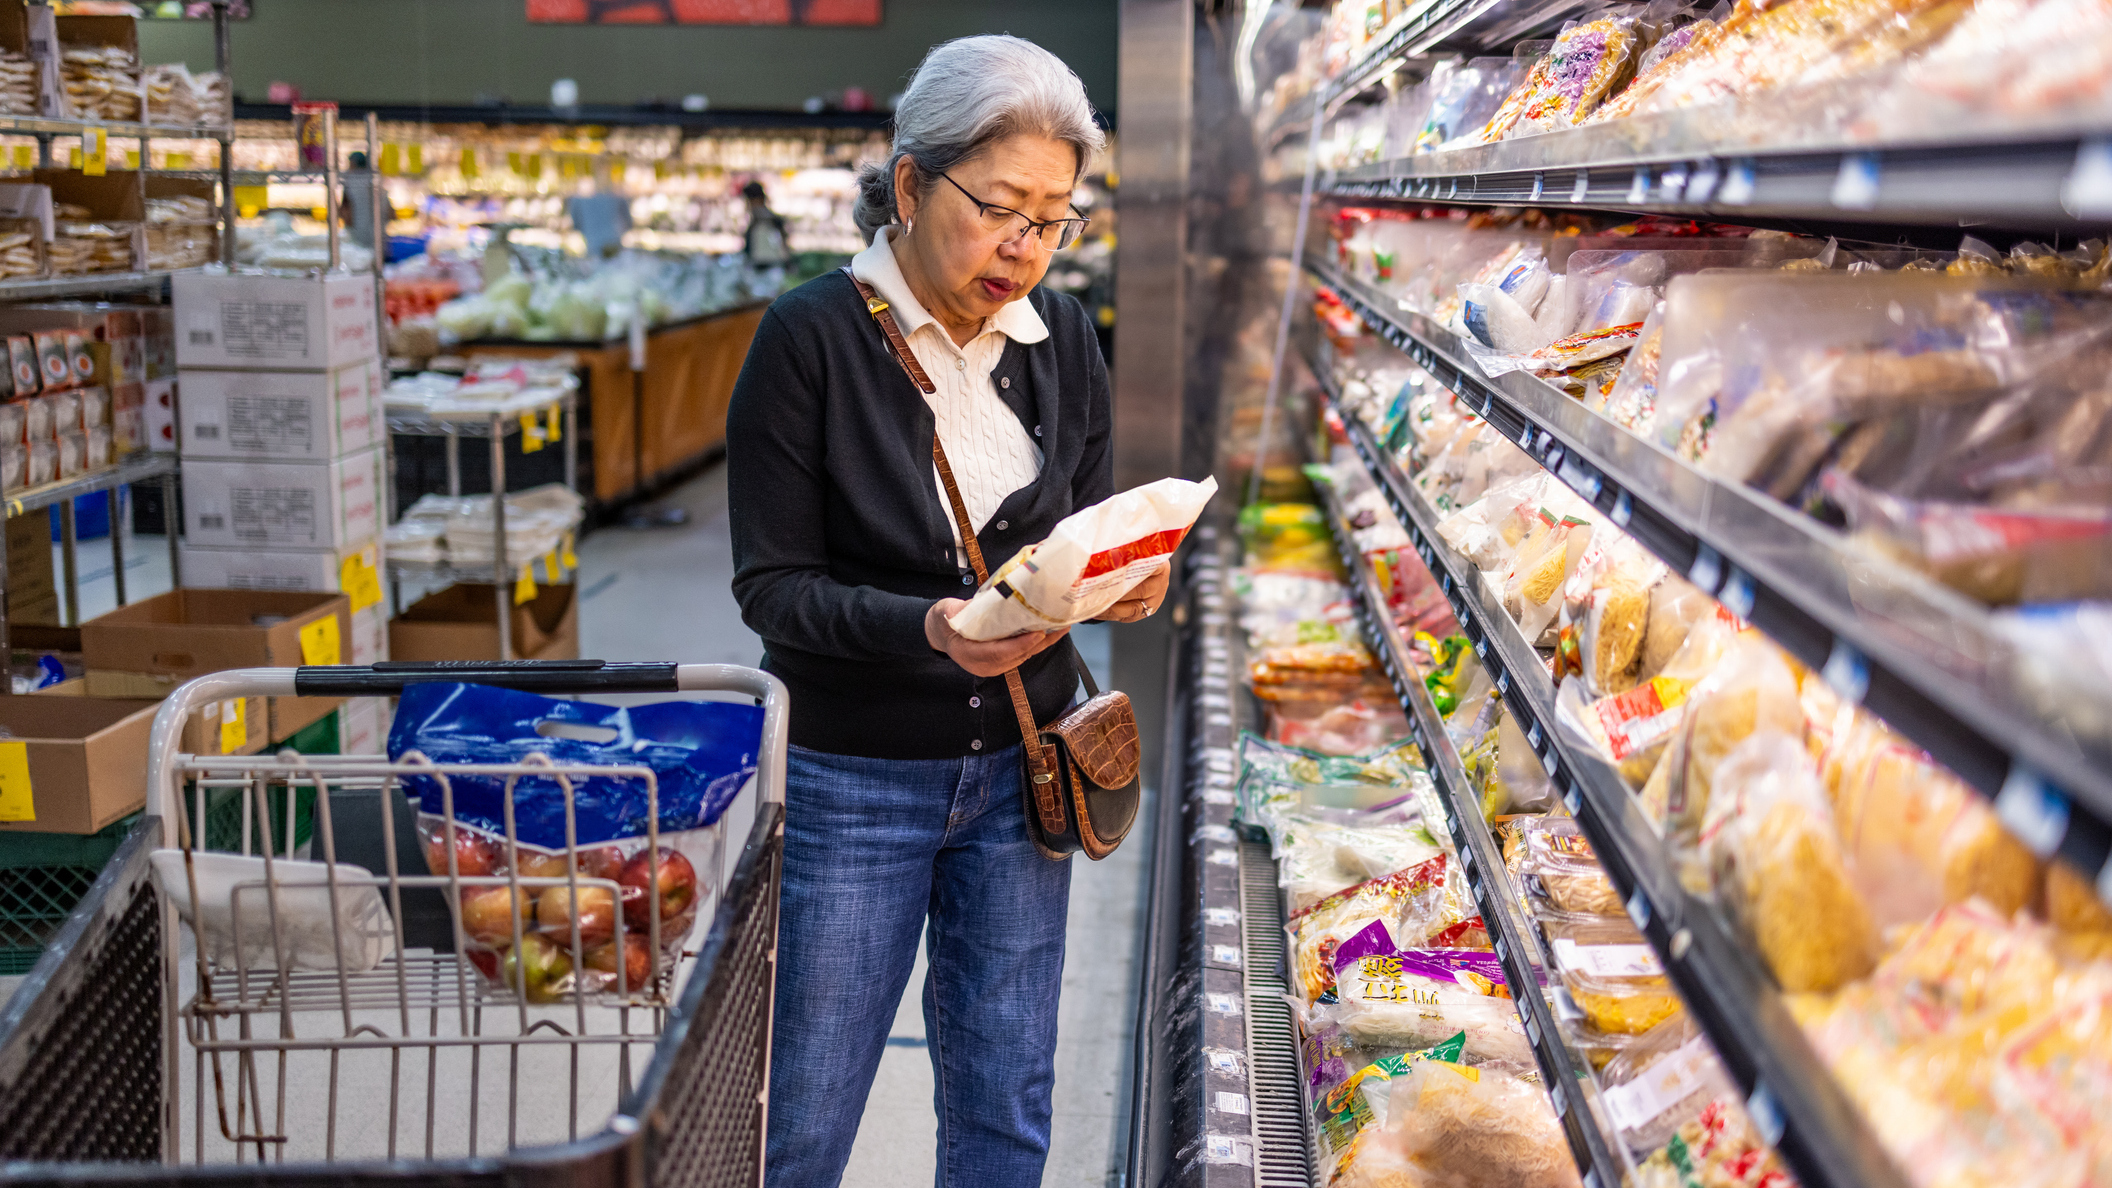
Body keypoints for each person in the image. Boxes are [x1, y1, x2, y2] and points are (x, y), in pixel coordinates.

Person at [726, 34, 1161, 1188]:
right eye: (1000, 208)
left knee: (1006, 1099)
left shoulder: (1062, 339)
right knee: (805, 1106)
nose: (1024, 247)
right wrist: (927, 627)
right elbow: (772, 589)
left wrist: (1123, 572)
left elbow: (1081, 521)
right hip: (854, 777)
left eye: (1054, 218)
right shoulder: (807, 340)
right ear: (912, 185)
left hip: (1027, 766)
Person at [740, 179, 792, 267]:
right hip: (759, 265)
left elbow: (782, 241)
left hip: (770, 266)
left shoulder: (769, 219)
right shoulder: (754, 219)